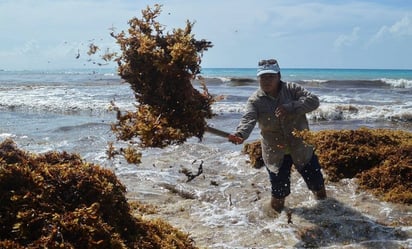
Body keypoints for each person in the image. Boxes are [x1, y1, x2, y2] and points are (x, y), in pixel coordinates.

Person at [228, 59, 326, 213]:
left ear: (279, 76)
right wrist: (241, 134)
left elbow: (314, 101)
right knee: (279, 195)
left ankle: (327, 212)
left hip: (301, 148)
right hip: (275, 154)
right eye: (263, 77)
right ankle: (275, 225)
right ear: (258, 79)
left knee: (317, 185)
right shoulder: (255, 100)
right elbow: (248, 119)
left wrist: (291, 107)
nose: (266, 81)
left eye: (270, 77)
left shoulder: (292, 89)